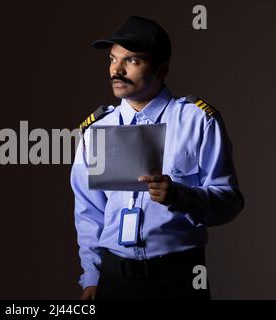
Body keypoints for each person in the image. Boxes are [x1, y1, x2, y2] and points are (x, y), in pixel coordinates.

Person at [70, 16, 244, 300]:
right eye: (113, 59)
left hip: (178, 280)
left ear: (161, 70)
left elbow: (230, 201)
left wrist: (181, 196)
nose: (117, 70)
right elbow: (88, 211)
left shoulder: (198, 121)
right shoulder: (96, 129)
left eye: (132, 61)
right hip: (115, 281)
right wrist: (91, 275)